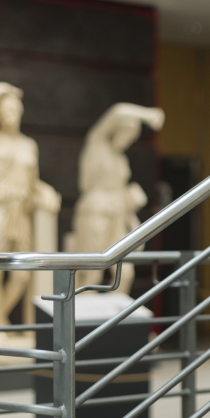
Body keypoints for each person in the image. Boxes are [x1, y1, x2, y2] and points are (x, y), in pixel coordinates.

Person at [0, 82, 60, 332]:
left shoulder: (29, 145)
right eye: (4, 111)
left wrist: (47, 191)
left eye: (14, 110)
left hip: (20, 211)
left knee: (22, 274)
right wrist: (5, 89)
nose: (10, 116)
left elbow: (33, 182)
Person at [68, 103, 163, 294]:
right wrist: (148, 115)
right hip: (96, 210)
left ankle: (117, 316)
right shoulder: (97, 144)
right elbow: (117, 111)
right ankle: (82, 314)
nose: (127, 141)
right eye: (126, 135)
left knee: (125, 272)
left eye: (131, 139)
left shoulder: (121, 159)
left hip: (118, 213)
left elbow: (122, 191)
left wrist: (132, 215)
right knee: (92, 271)